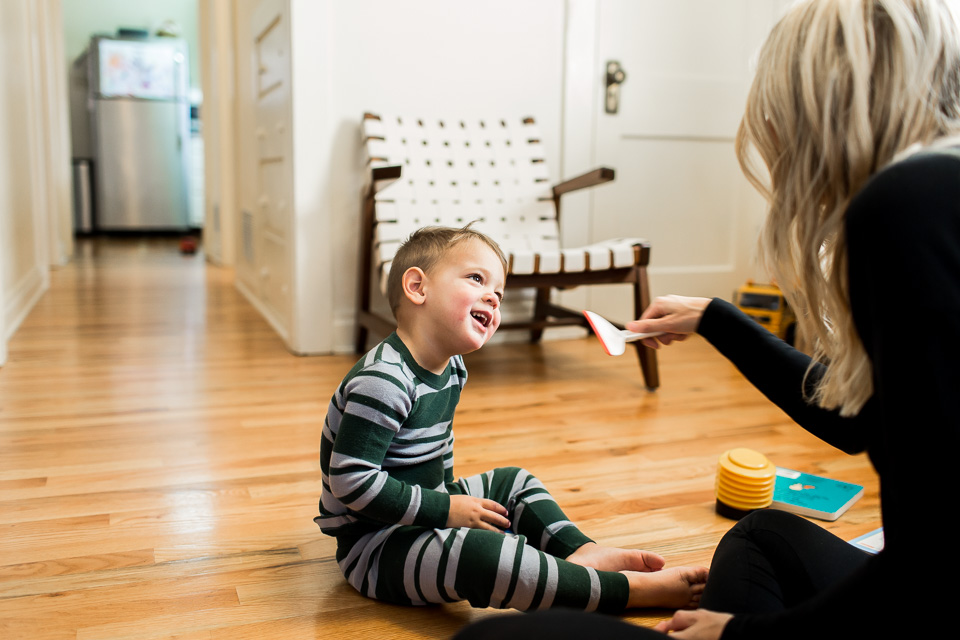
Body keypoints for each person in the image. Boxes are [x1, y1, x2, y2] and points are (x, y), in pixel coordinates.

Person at [454, 0, 960, 637]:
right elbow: (862, 420)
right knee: (762, 536)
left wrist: (736, 634)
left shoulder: (908, 206)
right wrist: (716, 320)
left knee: (495, 636)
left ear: (823, 104)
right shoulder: (941, 191)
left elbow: (933, 569)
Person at [316, 225, 708, 614]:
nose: (493, 297)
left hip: (426, 509)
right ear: (418, 287)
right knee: (491, 556)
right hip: (376, 547)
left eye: (499, 294)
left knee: (514, 481)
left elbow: (438, 448)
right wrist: (448, 512)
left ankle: (583, 553)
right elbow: (351, 482)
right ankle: (622, 591)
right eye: (475, 278)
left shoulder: (452, 368)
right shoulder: (383, 381)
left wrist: (451, 501)